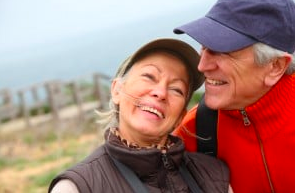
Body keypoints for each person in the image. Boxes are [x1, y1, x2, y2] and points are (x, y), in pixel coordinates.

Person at [48, 38, 232, 193]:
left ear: (180, 116)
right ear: (117, 90)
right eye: (149, 77)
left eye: (176, 89)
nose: (160, 92)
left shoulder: (213, 176)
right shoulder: (77, 187)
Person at [172, 0, 295, 193]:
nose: (202, 66)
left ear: (275, 66)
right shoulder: (193, 131)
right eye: (203, 47)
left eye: (222, 51)